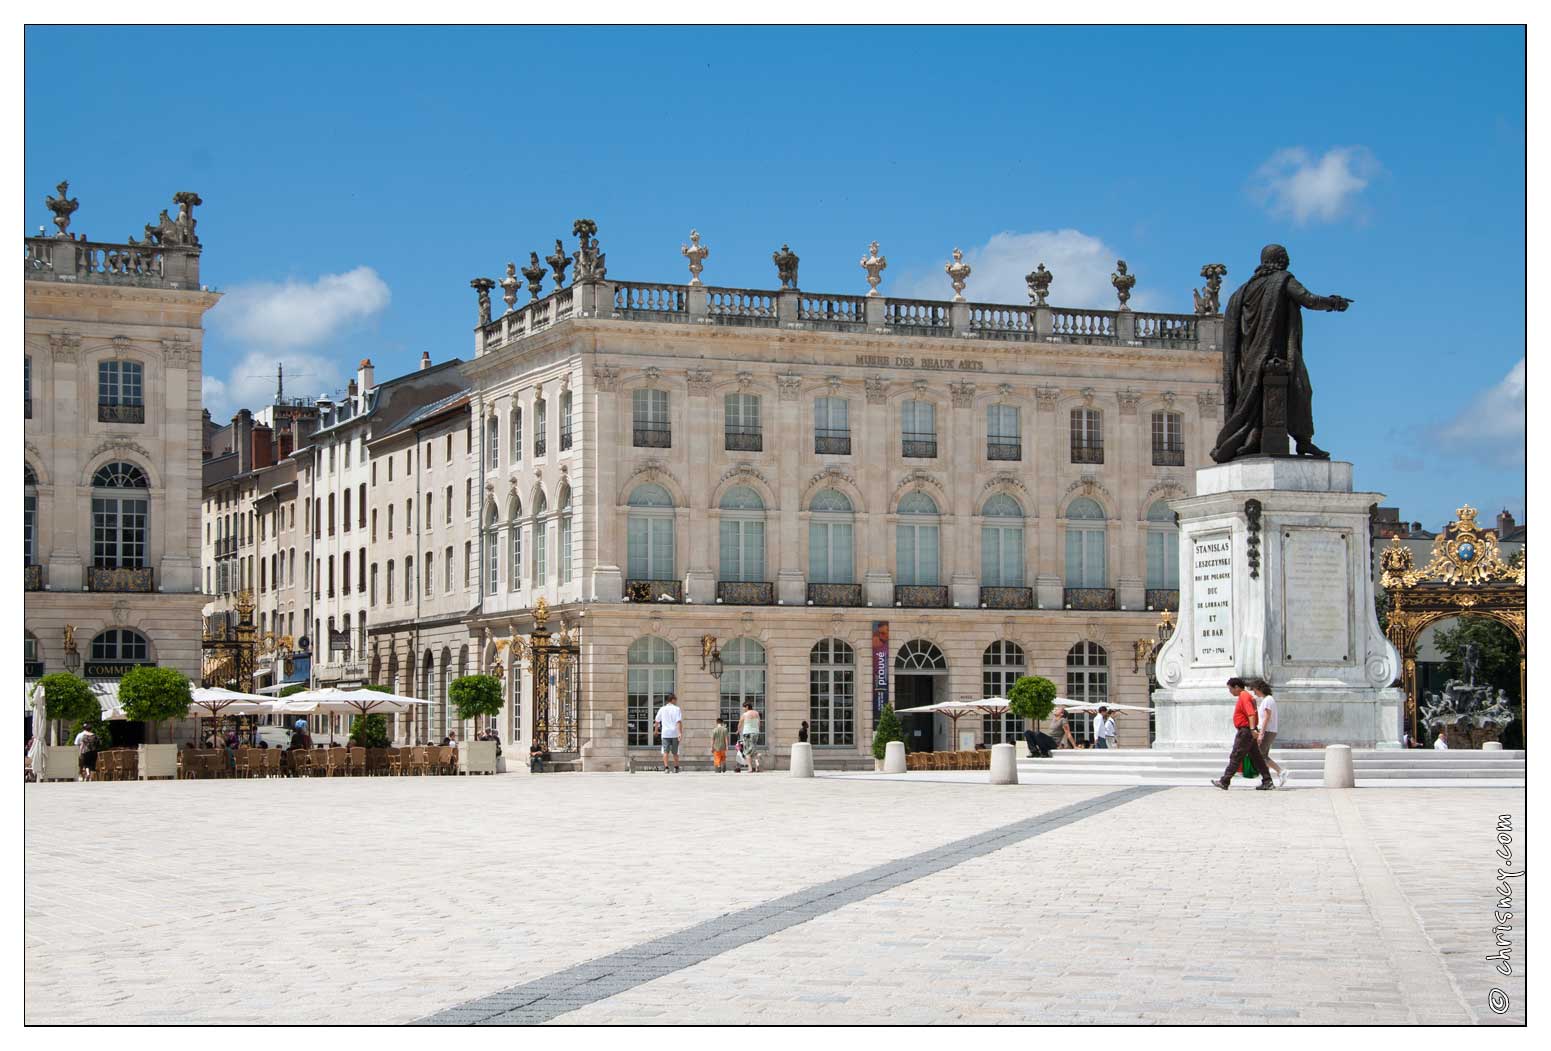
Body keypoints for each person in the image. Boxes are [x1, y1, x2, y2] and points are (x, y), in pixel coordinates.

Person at [1211, 243, 1352, 463]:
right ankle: (1302, 440)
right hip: (1275, 352)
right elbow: (1309, 299)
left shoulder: (1244, 290)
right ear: (1278, 259)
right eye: (1284, 255)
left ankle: (1253, 440)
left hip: (1249, 358)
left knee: (1256, 400)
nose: (1287, 259)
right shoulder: (1282, 280)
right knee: (1301, 389)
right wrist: (1334, 303)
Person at [1211, 676, 1276, 791]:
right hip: (1247, 731)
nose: (1230, 692)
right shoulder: (1247, 696)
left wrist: (1252, 729)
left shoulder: (1244, 696)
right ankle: (1267, 781)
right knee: (1257, 758)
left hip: (1245, 732)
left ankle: (1224, 781)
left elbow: (1251, 714)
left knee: (1236, 755)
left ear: (1237, 687)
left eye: (1230, 689)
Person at [1251, 678, 1287, 788]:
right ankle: (1266, 780)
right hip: (1268, 730)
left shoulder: (1268, 700)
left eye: (1254, 690)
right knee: (1262, 756)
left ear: (1259, 689)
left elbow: (1267, 717)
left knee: (1260, 756)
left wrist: (1261, 734)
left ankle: (1280, 771)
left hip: (1268, 731)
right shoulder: (1267, 699)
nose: (1254, 692)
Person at [653, 691, 683, 773]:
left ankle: (666, 768)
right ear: (672, 700)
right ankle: (676, 768)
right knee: (675, 752)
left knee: (665, 752)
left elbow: (656, 721)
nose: (676, 700)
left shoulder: (662, 709)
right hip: (674, 733)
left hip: (665, 733)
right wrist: (680, 733)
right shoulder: (677, 709)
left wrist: (656, 730)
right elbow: (678, 722)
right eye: (675, 699)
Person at [737, 701, 762, 773]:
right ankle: (757, 758)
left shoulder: (745, 714)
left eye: (744, 707)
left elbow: (740, 723)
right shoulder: (756, 713)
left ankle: (750, 769)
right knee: (753, 749)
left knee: (747, 752)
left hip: (747, 733)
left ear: (747, 707)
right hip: (756, 733)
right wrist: (757, 730)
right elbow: (759, 723)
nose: (743, 709)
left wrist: (738, 730)